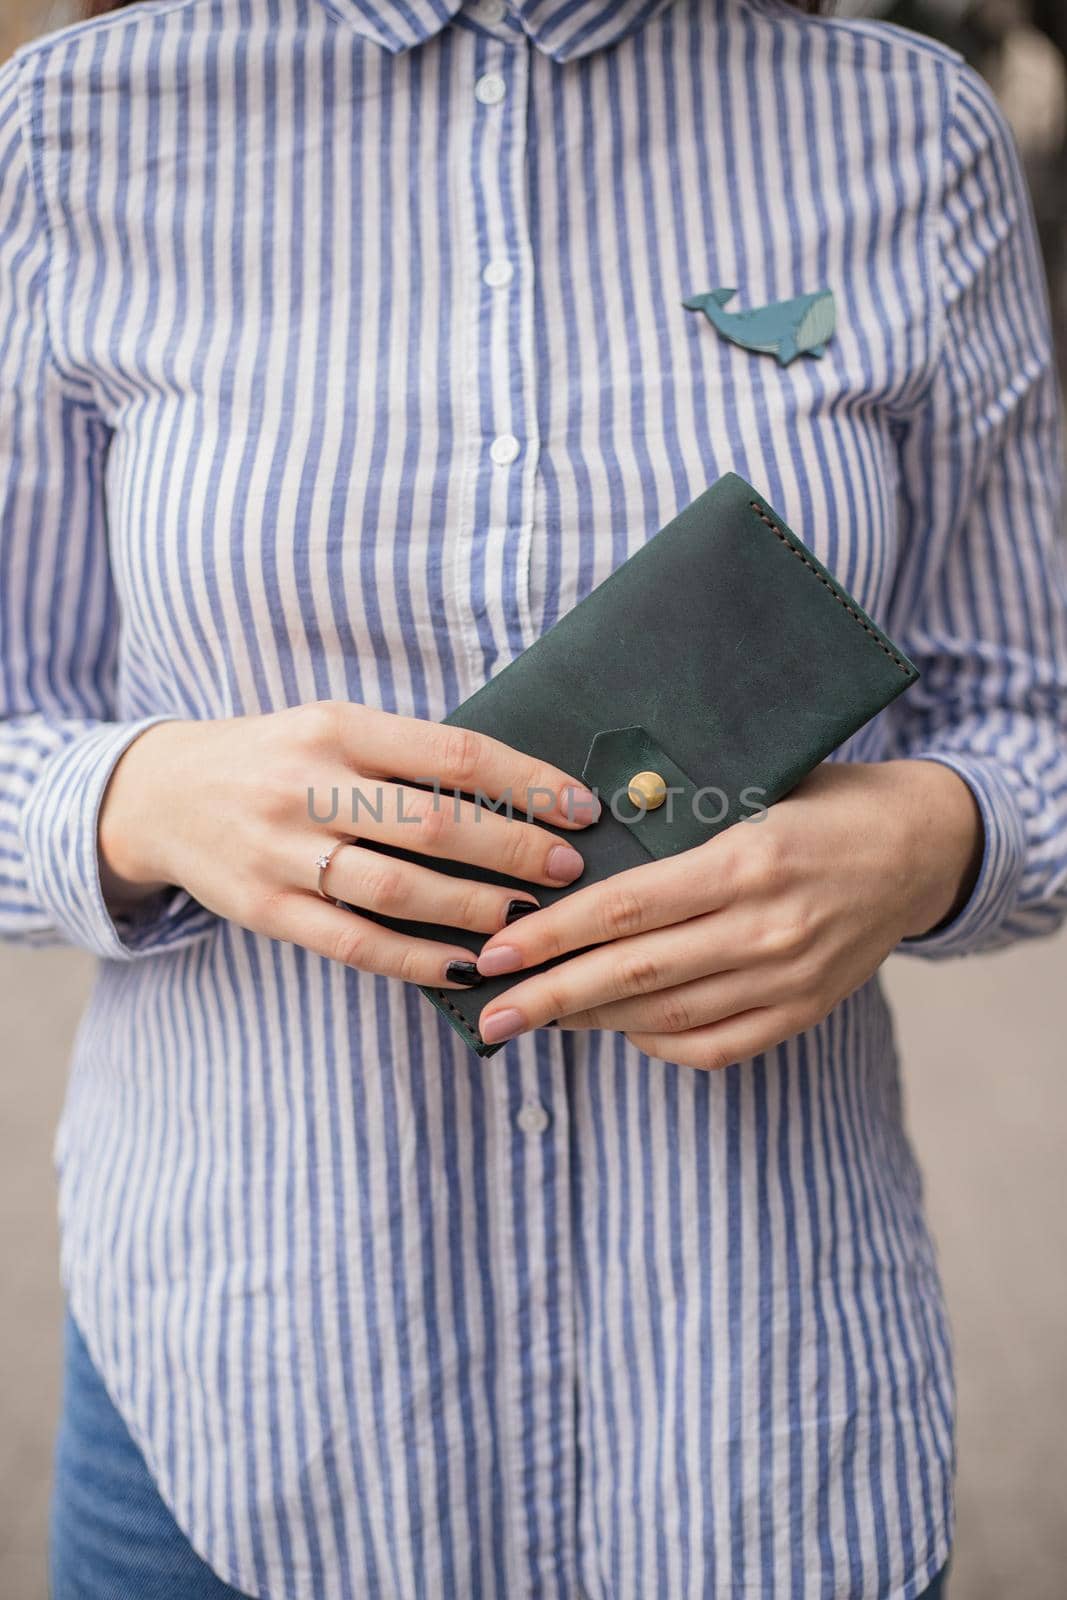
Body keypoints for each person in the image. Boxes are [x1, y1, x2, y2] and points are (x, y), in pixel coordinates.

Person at [2, 0, 1065, 1593]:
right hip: (234, 1425)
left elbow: (1034, 706)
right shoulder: (71, 130)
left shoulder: (909, 134)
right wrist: (142, 795)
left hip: (755, 1427)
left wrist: (932, 840)